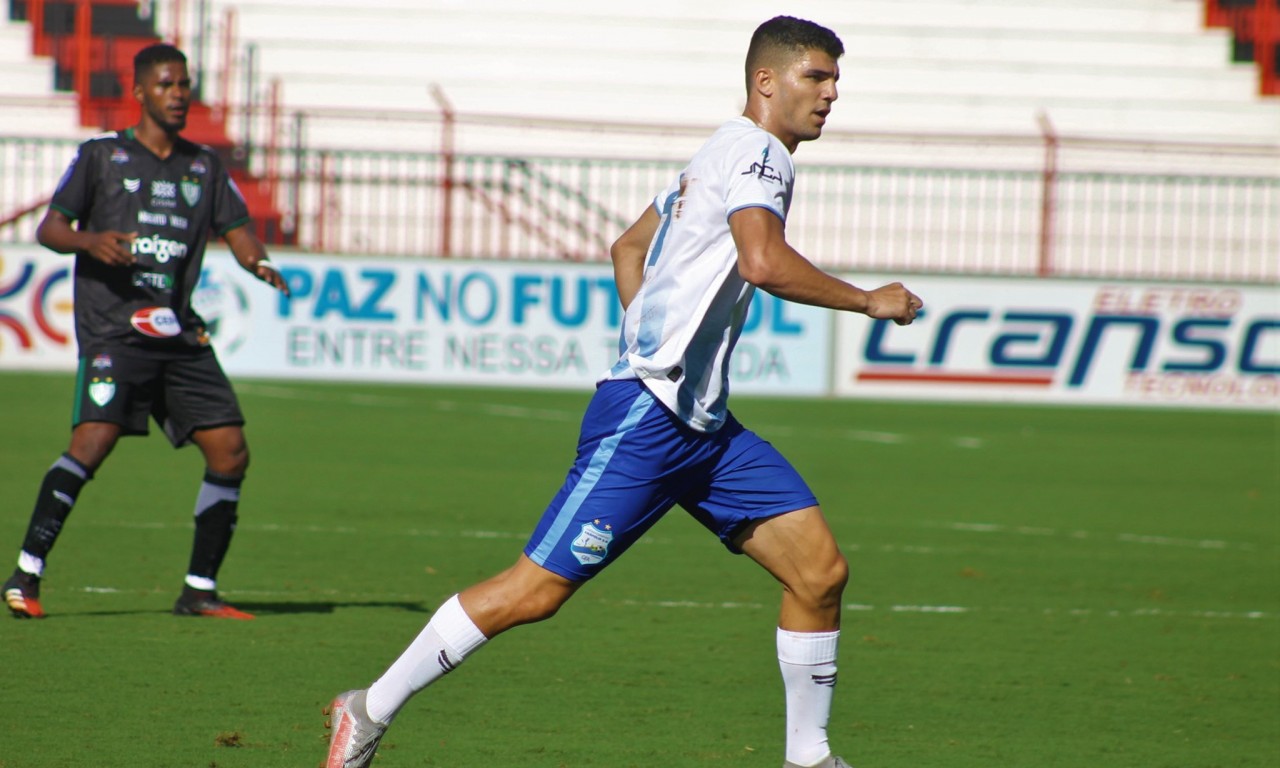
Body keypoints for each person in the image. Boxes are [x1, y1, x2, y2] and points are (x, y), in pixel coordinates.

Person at [325, 16, 922, 768]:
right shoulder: (760, 156)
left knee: (819, 572)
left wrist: (648, 327)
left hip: (701, 427)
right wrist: (870, 300)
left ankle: (809, 756)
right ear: (766, 80)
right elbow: (763, 264)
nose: (831, 94)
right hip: (647, 416)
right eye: (817, 76)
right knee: (533, 592)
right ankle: (367, 709)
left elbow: (628, 246)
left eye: (836, 81)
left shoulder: (715, 152)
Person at [2, 43, 290, 621]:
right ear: (139, 92)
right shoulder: (102, 158)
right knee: (92, 442)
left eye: (184, 84)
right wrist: (90, 240)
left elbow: (236, 230)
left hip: (178, 336)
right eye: (166, 84)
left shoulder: (203, 167)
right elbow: (50, 227)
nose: (178, 93)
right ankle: (26, 573)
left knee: (230, 451)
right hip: (115, 331)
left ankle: (199, 589)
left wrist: (256, 260)